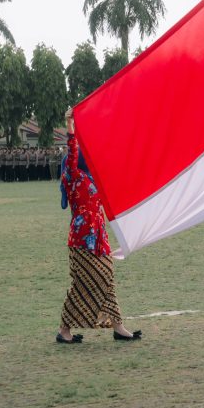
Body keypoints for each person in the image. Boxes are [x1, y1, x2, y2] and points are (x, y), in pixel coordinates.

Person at [57, 109, 141, 344]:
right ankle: (64, 330)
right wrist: (71, 126)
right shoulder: (74, 177)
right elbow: (73, 151)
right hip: (82, 240)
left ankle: (118, 328)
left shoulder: (91, 179)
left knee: (107, 278)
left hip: (99, 238)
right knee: (86, 283)